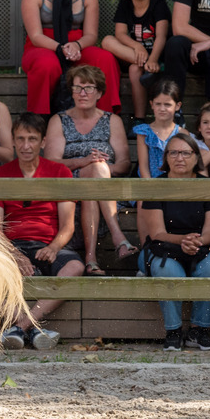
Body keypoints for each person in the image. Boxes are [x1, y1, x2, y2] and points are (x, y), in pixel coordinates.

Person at [0, 113, 81, 350]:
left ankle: (20, 327)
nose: (26, 146)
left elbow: (68, 225)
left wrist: (54, 247)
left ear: (43, 142)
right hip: (11, 244)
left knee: (76, 267)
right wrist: (15, 255)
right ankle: (32, 329)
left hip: (49, 244)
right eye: (21, 139)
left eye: (32, 139)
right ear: (13, 142)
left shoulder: (59, 173)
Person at [43, 65, 137, 275]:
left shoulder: (112, 120)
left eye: (88, 88)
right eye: (77, 88)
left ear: (100, 92)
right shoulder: (59, 120)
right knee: (92, 175)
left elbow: (123, 164)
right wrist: (84, 162)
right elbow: (51, 162)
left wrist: (100, 169)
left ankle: (91, 258)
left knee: (95, 177)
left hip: (104, 187)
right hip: (69, 186)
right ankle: (118, 236)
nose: (82, 93)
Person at [140, 133, 210, 351]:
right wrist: (183, 240)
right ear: (166, 157)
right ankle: (174, 330)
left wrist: (194, 242)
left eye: (186, 153)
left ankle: (199, 330)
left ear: (196, 157)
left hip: (201, 245)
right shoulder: (155, 186)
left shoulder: (208, 187)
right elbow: (157, 233)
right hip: (163, 248)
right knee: (168, 270)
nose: (180, 158)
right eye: (174, 153)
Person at [20, 0, 121, 116]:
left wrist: (76, 46)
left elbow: (91, 34)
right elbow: (35, 35)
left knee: (105, 59)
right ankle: (39, 120)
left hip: (77, 46)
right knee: (47, 65)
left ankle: (106, 118)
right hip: (42, 46)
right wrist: (61, 48)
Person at [100, 0, 171, 122]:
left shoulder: (159, 4)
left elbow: (161, 36)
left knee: (134, 70)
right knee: (107, 40)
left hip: (156, 55)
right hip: (133, 54)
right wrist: (137, 46)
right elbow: (120, 34)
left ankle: (139, 118)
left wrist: (152, 58)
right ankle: (149, 68)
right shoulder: (125, 4)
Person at [131, 79, 185, 254]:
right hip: (150, 183)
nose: (163, 108)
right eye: (158, 104)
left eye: (167, 104)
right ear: (151, 105)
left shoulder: (182, 134)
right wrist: (150, 187)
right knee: (142, 200)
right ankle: (146, 250)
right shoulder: (143, 132)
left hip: (174, 183)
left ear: (177, 106)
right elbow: (144, 167)